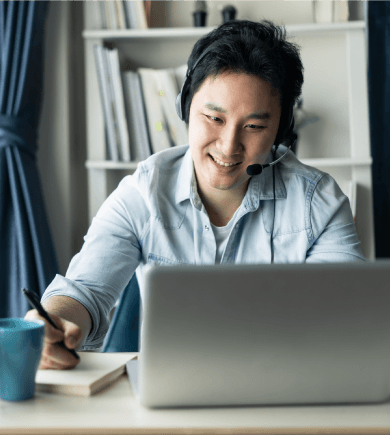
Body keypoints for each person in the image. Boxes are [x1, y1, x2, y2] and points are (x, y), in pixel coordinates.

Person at [25, 19, 365, 370]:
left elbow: (348, 315)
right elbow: (84, 291)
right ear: (185, 106)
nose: (229, 146)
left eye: (254, 126)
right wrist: (52, 319)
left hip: (284, 385)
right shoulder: (143, 192)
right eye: (213, 119)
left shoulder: (318, 202)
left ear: (281, 129)